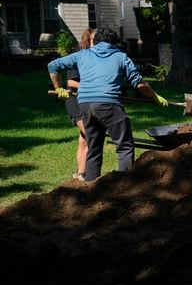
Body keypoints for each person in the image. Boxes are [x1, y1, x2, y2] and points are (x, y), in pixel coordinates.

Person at [48, 27, 169, 182]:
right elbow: (139, 84)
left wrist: (58, 88)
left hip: (85, 104)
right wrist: (155, 96)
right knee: (125, 146)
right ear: (114, 42)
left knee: (94, 148)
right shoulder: (121, 57)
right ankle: (124, 186)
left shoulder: (82, 55)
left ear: (96, 40)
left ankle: (91, 186)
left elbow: (52, 66)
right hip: (108, 104)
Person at [62, 28, 95, 181]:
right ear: (87, 41)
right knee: (91, 136)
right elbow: (71, 82)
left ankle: (80, 173)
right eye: (95, 39)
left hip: (86, 103)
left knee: (83, 139)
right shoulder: (78, 58)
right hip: (75, 102)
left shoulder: (94, 58)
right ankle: (86, 174)